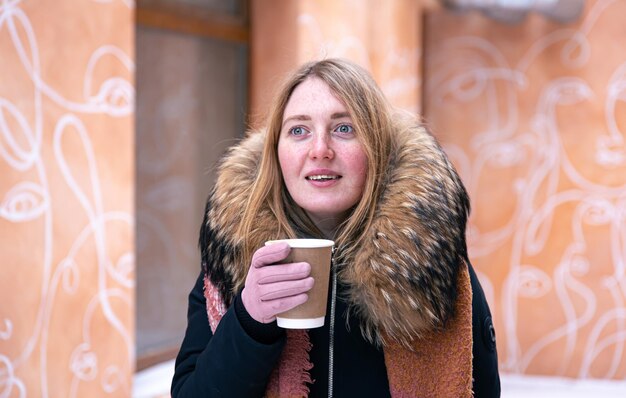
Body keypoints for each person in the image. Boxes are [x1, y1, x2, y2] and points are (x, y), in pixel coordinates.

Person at [171, 58, 501, 397]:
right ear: (276, 152)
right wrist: (249, 318)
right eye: (298, 130)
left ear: (377, 148)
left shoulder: (430, 270)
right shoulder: (233, 262)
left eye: (344, 128)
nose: (320, 150)